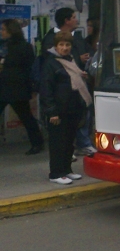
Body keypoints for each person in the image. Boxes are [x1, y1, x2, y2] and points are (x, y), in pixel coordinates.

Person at [40, 31, 93, 185]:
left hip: (72, 108)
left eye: (67, 45)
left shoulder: (71, 60)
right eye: (61, 45)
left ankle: (66, 170)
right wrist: (52, 112)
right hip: (58, 110)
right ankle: (55, 172)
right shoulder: (50, 63)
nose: (64, 48)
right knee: (58, 142)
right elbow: (46, 89)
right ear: (55, 46)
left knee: (69, 141)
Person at [0, 19, 45, 155]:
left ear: (10, 31)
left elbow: (30, 68)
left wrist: (32, 88)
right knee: (26, 116)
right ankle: (37, 143)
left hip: (16, 87)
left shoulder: (23, 47)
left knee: (26, 116)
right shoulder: (4, 45)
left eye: (3, 29)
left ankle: (37, 143)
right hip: (5, 86)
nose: (1, 32)